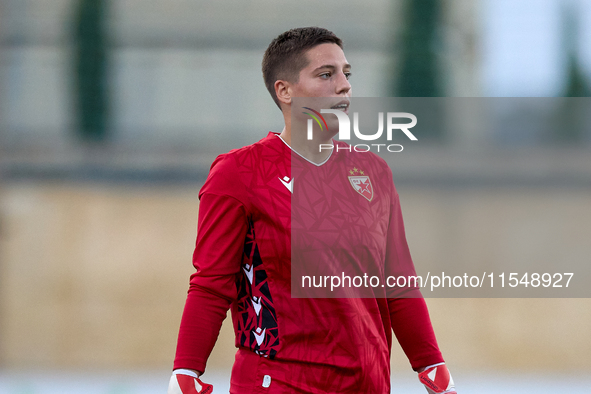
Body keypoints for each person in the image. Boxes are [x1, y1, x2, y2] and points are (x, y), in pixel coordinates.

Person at [167, 27, 456, 394]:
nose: (344, 86)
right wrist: (187, 369)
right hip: (279, 382)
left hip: (367, 383)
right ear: (284, 91)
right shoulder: (238, 174)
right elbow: (211, 285)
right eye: (326, 74)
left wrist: (430, 361)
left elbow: (397, 280)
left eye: (346, 74)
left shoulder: (373, 172)